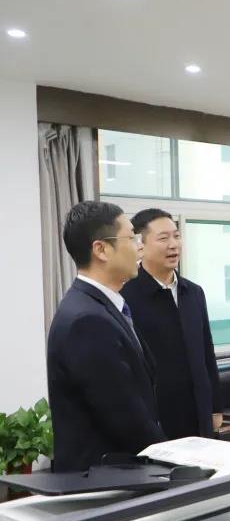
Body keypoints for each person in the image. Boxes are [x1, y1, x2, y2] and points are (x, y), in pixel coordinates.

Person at [47, 202, 166, 472]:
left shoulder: (101, 306)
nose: (139, 247)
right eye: (131, 238)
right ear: (101, 249)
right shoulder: (86, 320)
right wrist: (174, 460)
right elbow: (124, 416)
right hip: (105, 478)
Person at [121, 209, 222, 439]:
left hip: (198, 410)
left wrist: (215, 406)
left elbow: (207, 352)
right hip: (157, 415)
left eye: (176, 236)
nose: (173, 245)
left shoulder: (193, 292)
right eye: (163, 238)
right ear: (140, 245)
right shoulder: (127, 296)